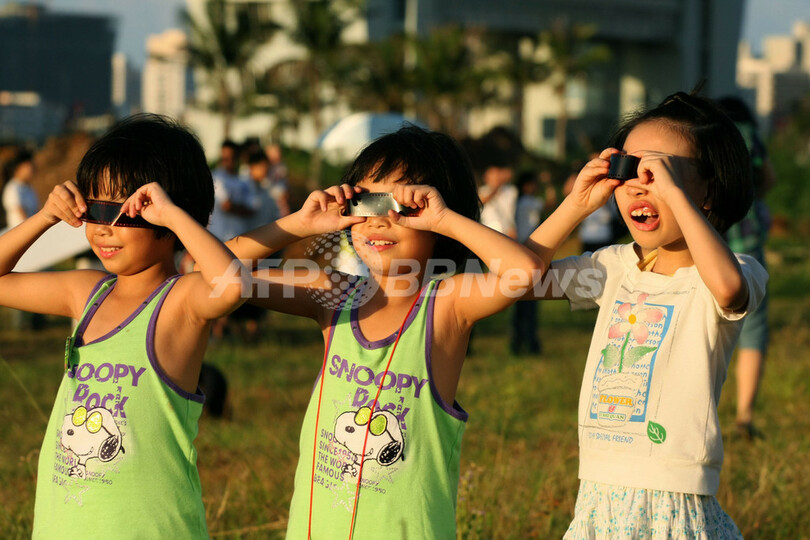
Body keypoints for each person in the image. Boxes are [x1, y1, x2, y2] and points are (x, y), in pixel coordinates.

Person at [226, 126, 542, 538]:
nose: (379, 220)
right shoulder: (333, 294)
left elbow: (525, 273)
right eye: (365, 202)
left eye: (403, 206)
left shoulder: (446, 304)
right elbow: (214, 273)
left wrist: (446, 219)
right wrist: (299, 223)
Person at [524, 92, 768, 537]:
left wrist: (674, 194)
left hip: (675, 490)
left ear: (708, 190)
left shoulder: (734, 271)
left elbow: (729, 290)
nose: (638, 185)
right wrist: (576, 204)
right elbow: (519, 280)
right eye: (627, 170)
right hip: (599, 485)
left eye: (658, 172)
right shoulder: (614, 267)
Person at [0, 114, 248, 537]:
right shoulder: (86, 292)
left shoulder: (181, 299)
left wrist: (173, 215)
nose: (104, 229)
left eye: (127, 211)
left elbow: (233, 286)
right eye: (95, 209)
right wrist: (44, 217)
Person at [718, 95, 775, 440]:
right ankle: (744, 416)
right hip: (746, 243)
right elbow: (769, 178)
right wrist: (754, 199)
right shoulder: (750, 135)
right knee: (753, 330)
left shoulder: (707, 133)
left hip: (707, 241)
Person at [511, 170, 545, 354]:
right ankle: (530, 342)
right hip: (528, 252)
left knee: (520, 302)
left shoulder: (517, 202)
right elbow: (550, 204)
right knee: (529, 301)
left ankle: (518, 343)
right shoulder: (527, 202)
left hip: (520, 251)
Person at [2, 149, 39, 228]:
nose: (33, 168)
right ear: (20, 167)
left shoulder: (29, 188)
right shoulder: (13, 189)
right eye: (29, 165)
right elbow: (21, 216)